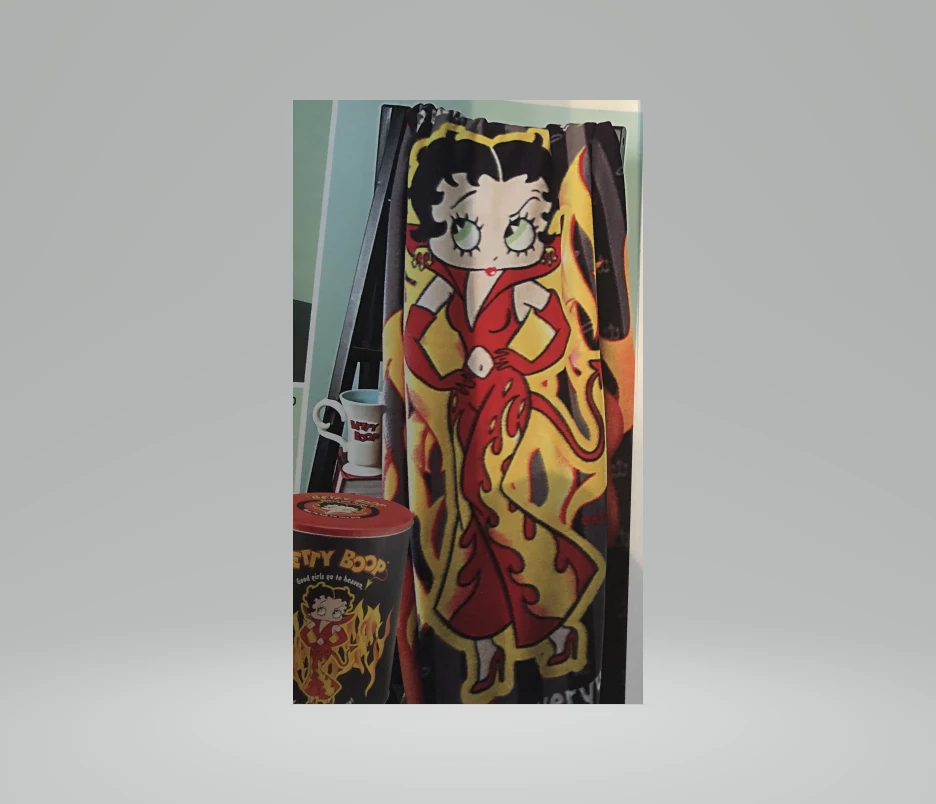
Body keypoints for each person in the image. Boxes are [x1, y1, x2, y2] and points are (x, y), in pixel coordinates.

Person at [403, 129, 605, 695]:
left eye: (518, 228)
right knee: (476, 512)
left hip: (506, 402)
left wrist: (515, 360)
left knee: (483, 500)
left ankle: (520, 634)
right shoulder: (446, 281)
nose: (493, 245)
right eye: (465, 228)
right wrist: (443, 377)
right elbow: (415, 334)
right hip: (465, 403)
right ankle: (517, 638)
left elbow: (558, 331)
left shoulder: (521, 285)